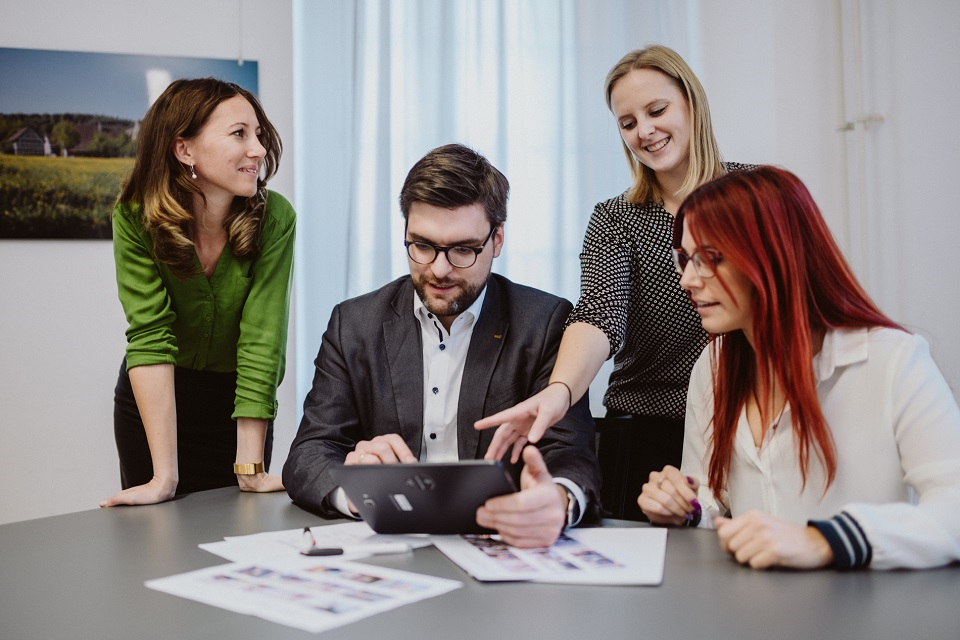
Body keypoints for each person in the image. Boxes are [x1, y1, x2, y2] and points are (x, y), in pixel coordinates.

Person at [638, 166, 960, 570]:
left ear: (774, 254)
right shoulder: (714, 366)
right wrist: (682, 505)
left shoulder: (894, 360)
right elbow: (711, 499)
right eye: (685, 259)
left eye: (710, 259)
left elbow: (954, 510)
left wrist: (823, 540)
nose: (687, 279)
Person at [476, 44, 750, 520]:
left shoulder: (757, 196)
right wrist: (559, 391)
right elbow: (601, 312)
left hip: (749, 425)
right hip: (649, 437)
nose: (644, 131)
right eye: (627, 123)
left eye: (656, 110)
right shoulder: (617, 218)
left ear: (692, 101)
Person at [283, 143, 601, 548]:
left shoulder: (545, 322)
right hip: (390, 554)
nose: (439, 269)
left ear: (497, 239)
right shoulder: (354, 324)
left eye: (463, 249)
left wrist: (556, 499)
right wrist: (360, 492)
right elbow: (312, 450)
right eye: (422, 246)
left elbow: (571, 454)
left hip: (502, 546)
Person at [101, 78, 295, 507]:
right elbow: (150, 335)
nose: (259, 150)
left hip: (239, 405)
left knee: (242, 538)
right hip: (155, 405)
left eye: (259, 135)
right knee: (160, 543)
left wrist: (250, 468)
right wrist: (162, 477)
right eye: (239, 133)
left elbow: (263, 340)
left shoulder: (276, 219)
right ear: (184, 149)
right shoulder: (135, 218)